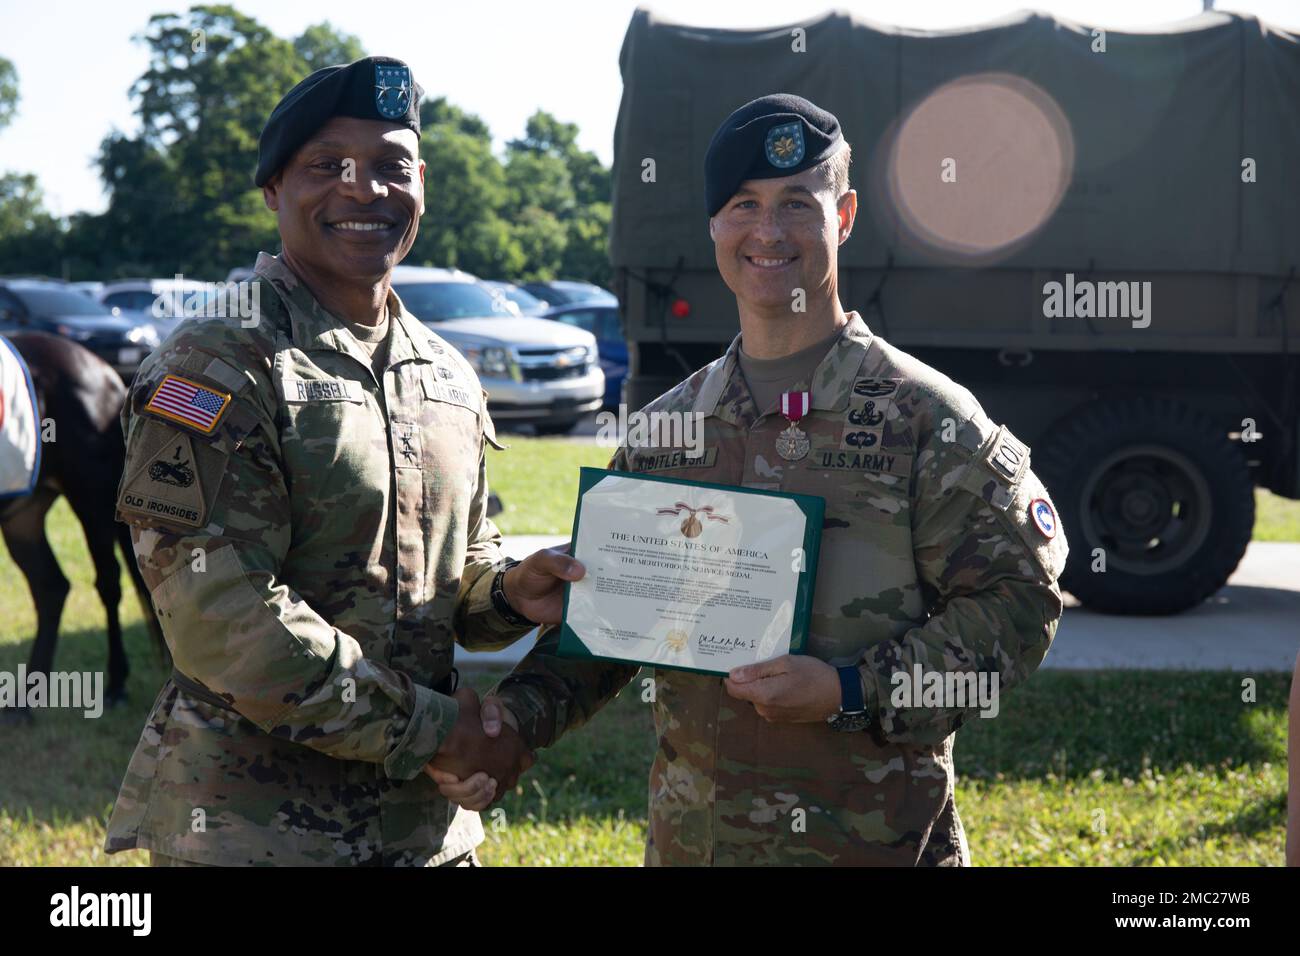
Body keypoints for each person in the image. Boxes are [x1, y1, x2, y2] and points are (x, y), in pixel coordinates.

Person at [432, 93, 1069, 865]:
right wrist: (511, 729)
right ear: (713, 226)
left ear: (845, 216)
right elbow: (611, 629)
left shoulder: (923, 419)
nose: (768, 232)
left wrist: (850, 691)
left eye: (798, 204)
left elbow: (1019, 613)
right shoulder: (671, 428)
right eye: (744, 205)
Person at [103, 55, 571, 867]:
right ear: (274, 190)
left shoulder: (445, 373)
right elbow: (220, 615)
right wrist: (435, 730)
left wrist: (509, 593)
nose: (364, 190)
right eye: (329, 167)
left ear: (422, 182)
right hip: (259, 838)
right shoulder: (214, 363)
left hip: (427, 837)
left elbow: (451, 577)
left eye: (392, 167)